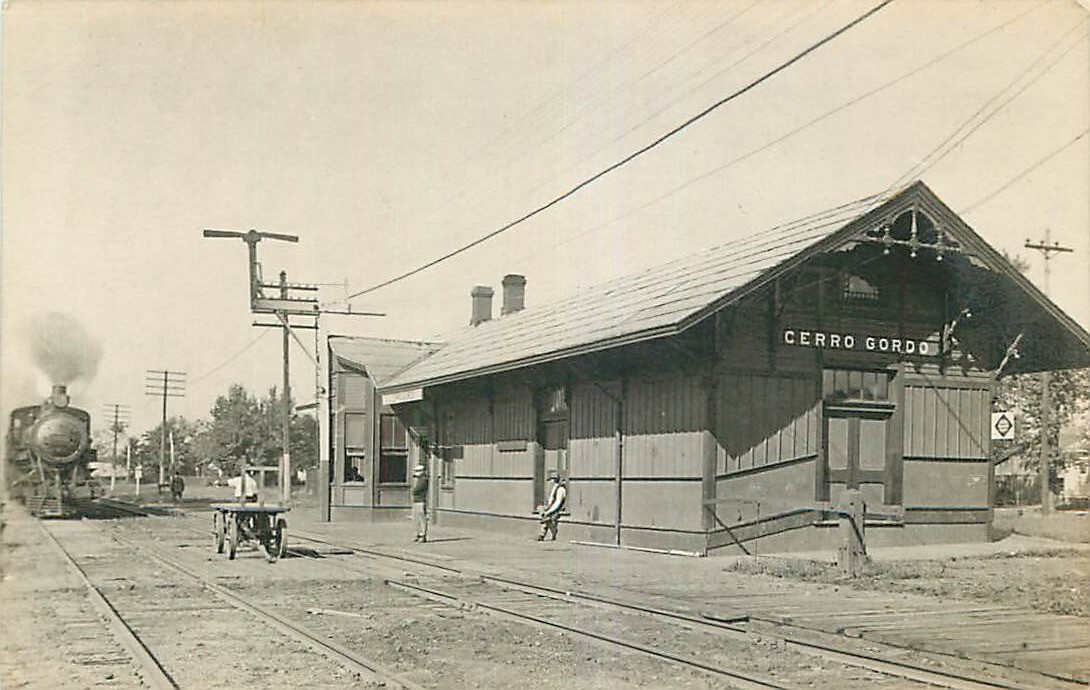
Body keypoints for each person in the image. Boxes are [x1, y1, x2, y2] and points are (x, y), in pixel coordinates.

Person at [537, 472, 567, 541]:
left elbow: (557, 503)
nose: (550, 482)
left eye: (552, 480)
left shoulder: (560, 489)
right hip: (551, 507)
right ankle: (543, 534)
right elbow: (551, 500)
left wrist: (549, 511)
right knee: (541, 510)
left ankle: (545, 534)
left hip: (557, 509)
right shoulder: (554, 488)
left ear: (555, 480)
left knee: (547, 517)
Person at [410, 464, 429, 543]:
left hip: (420, 501)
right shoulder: (419, 479)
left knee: (421, 518)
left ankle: (422, 535)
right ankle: (418, 534)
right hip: (417, 501)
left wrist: (413, 490)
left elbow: (417, 490)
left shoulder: (423, 479)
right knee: (416, 519)